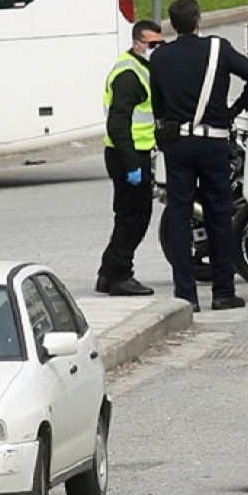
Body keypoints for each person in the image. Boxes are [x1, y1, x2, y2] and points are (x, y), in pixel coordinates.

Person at [149, 0, 248, 312]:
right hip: (214, 142)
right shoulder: (218, 48)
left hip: (178, 144)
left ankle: (186, 295)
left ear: (172, 25)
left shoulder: (160, 58)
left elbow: (158, 105)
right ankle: (223, 293)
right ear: (198, 21)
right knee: (218, 214)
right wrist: (232, 111)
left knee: (179, 214)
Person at [95, 20, 164, 297]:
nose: (156, 49)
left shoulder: (141, 67)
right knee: (134, 217)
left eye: (160, 44)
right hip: (128, 154)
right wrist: (132, 164)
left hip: (134, 151)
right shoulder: (128, 75)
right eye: (151, 45)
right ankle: (120, 276)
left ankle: (108, 272)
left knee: (128, 215)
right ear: (137, 43)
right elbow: (117, 123)